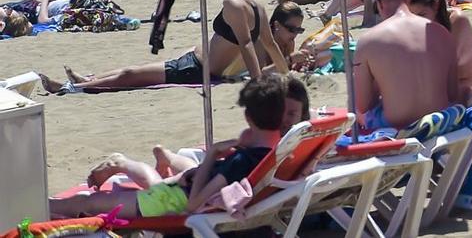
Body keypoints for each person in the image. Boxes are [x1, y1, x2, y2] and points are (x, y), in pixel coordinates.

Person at [44, 72, 296, 221]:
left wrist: (211, 156)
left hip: (174, 200)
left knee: (91, 203)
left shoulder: (240, 161)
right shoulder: (282, 149)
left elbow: (192, 205)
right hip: (185, 188)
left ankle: (44, 206)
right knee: (166, 182)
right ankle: (132, 162)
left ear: (249, 118)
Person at [43, 0, 294, 94]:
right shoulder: (257, 5)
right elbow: (270, 44)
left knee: (132, 75)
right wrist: (287, 72)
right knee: (135, 71)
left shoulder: (232, 3)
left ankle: (73, 88)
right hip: (193, 61)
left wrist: (257, 83)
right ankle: (87, 79)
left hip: (195, 69)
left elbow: (246, 44)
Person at [352, 0, 460, 132]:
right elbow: (452, 93)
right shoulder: (441, 32)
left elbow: (364, 104)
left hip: (398, 127)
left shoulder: (368, 41)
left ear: (380, 5)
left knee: (355, 110)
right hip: (440, 123)